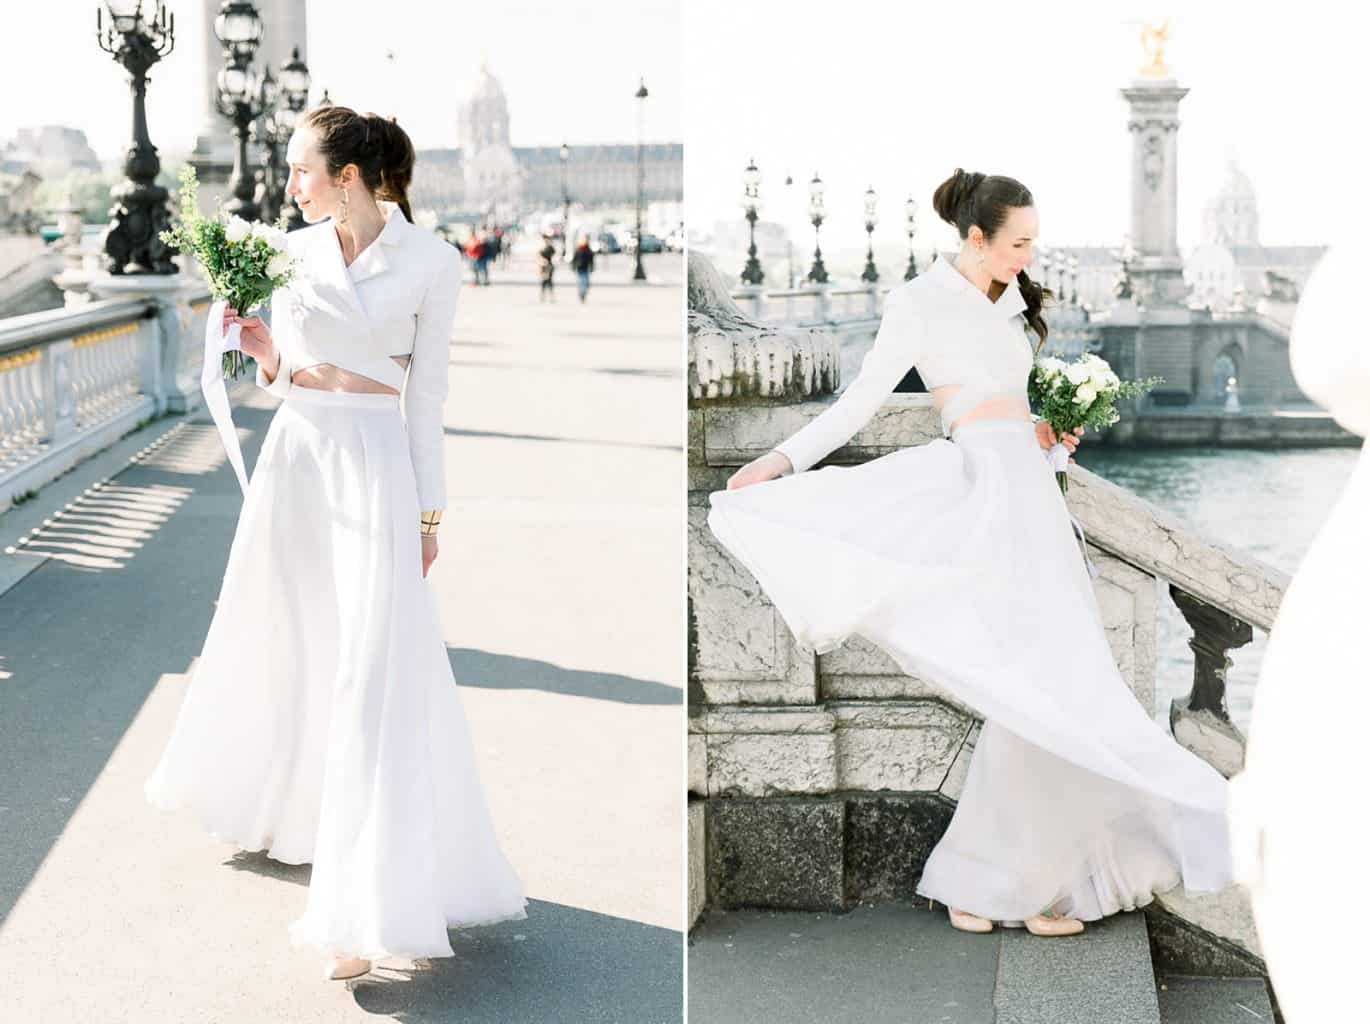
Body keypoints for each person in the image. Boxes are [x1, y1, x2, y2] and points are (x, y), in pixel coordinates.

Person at [707, 168, 1234, 938]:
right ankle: (1009, 886)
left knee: (1048, 690)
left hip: (1029, 495)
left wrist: (1051, 438)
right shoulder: (917, 303)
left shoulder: (1015, 304)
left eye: (1034, 243)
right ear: (976, 236)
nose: (1028, 256)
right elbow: (860, 400)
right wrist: (781, 461)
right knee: (1031, 690)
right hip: (983, 497)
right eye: (1017, 243)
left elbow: (1013, 406)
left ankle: (1002, 884)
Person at [143, 104, 527, 981]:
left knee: (371, 671)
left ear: (346, 177)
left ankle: (362, 906)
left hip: (375, 464)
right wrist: (259, 346)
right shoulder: (294, 249)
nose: (289, 185)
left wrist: (431, 515)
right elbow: (287, 376)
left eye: (300, 171)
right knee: (292, 641)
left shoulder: (431, 262)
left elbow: (424, 402)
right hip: (299, 461)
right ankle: (290, 811)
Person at [571, 233, 595, 302]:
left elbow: (591, 259)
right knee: (581, 282)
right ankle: (581, 294)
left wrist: (592, 267)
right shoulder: (579, 249)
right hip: (579, 268)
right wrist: (573, 266)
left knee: (586, 283)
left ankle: (583, 293)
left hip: (586, 268)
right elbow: (574, 259)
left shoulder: (588, 249)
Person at [538, 235, 557, 302]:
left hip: (549, 266)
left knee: (549, 281)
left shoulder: (550, 247)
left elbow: (554, 255)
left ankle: (551, 296)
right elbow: (538, 256)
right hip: (543, 266)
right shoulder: (542, 247)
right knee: (544, 281)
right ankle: (543, 295)